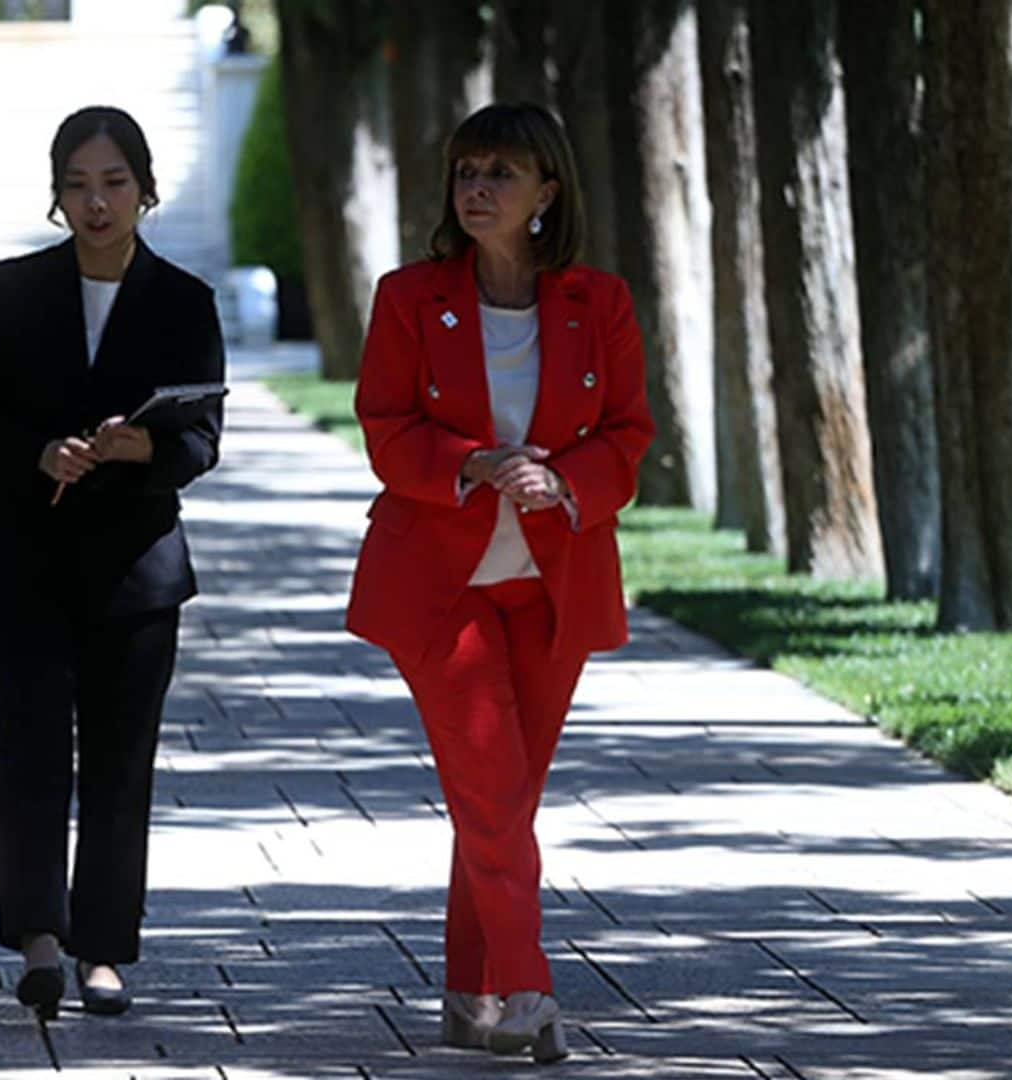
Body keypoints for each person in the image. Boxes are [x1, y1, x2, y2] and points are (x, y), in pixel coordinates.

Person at [345, 103, 655, 1063]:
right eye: (466, 171)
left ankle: (470, 997)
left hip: (554, 584)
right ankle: (527, 987)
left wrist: (563, 479)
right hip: (440, 586)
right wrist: (475, 462)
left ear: (545, 193)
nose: (477, 189)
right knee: (487, 788)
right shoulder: (409, 297)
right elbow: (385, 428)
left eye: (501, 174)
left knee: (505, 799)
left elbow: (630, 436)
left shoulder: (597, 303)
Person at [0, 106, 225, 1019]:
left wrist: (136, 451)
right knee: (30, 745)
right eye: (77, 184)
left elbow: (203, 439)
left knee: (120, 758)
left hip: (136, 566)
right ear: (56, 195)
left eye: (113, 183)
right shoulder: (14, 286)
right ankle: (37, 936)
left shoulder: (185, 299)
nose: (95, 202)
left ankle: (104, 950)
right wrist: (41, 452)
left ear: (146, 191)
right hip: (20, 554)